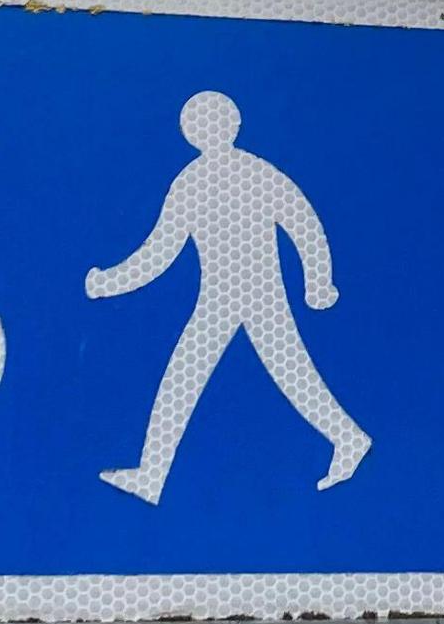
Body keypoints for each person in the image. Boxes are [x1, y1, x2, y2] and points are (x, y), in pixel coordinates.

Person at [83, 90, 369, 501]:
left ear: (231, 124)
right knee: (192, 376)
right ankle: (151, 474)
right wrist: (108, 282)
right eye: (198, 124)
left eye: (211, 122)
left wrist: (318, 282)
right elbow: (160, 251)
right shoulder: (191, 182)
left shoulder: (253, 173)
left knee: (281, 374)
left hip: (257, 294)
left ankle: (348, 438)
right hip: (220, 297)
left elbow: (302, 221)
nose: (205, 131)